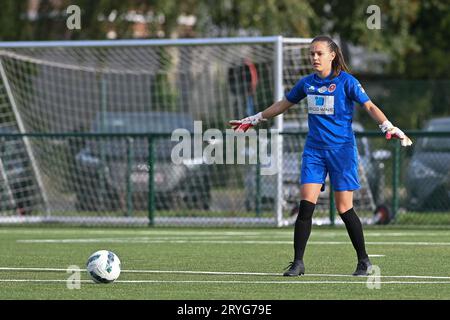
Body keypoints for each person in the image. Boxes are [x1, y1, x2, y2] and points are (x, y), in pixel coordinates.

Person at [229, 35, 412, 276]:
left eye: (319, 53)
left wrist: (388, 126)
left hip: (342, 152)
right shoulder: (307, 83)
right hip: (314, 152)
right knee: (306, 206)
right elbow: (283, 104)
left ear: (332, 55)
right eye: (312, 54)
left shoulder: (347, 82)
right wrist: (254, 119)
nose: (314, 57)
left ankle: (364, 261)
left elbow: (369, 106)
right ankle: (298, 263)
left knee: (344, 209)